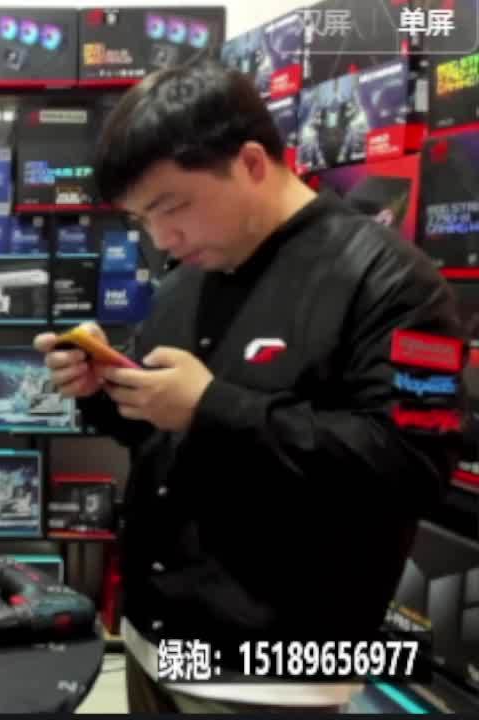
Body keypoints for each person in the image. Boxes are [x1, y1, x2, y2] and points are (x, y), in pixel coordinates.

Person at [35, 60, 465, 714]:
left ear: (252, 163)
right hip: (154, 647)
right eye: (143, 218)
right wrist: (103, 390)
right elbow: (162, 439)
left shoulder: (396, 282)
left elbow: (415, 467)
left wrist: (212, 407)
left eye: (172, 206)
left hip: (271, 675)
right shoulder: (187, 278)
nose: (163, 237)